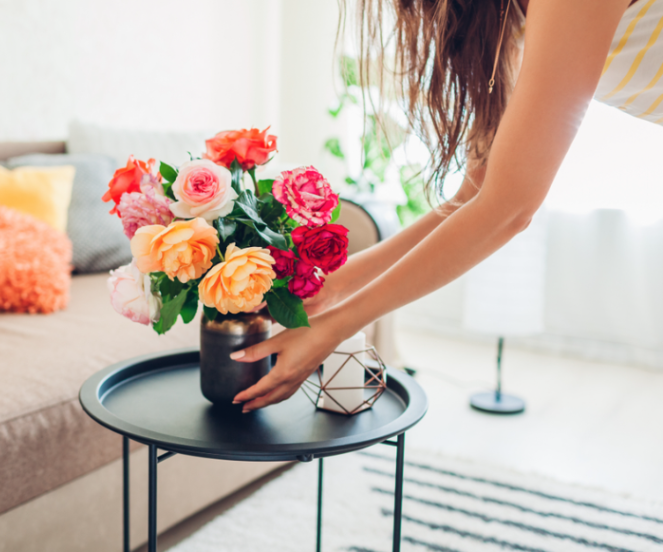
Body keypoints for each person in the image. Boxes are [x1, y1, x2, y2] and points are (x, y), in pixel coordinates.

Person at [232, 0, 663, 412]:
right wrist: (336, 285)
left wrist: (334, 327)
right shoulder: (503, 17)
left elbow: (510, 208)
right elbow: (471, 198)